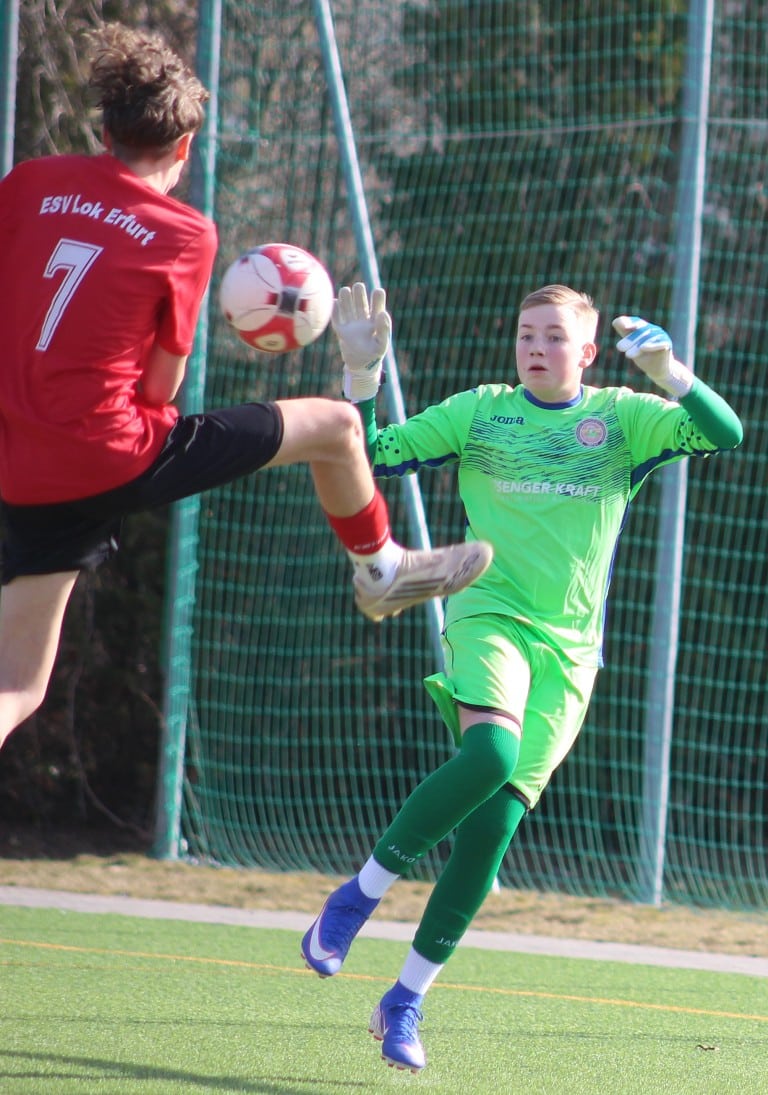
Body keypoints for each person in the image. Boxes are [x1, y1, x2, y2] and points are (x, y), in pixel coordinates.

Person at [0, 23, 492, 753]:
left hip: (20, 457)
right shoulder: (185, 234)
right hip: (107, 450)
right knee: (337, 427)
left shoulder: (30, 183)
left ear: (105, 130)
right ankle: (381, 569)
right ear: (185, 147)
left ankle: (386, 570)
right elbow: (161, 388)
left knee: (15, 682)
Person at [301, 281, 743, 1072]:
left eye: (553, 336)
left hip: (571, 651)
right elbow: (369, 454)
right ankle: (357, 895)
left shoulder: (625, 418)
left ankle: (404, 999)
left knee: (492, 830)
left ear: (588, 352)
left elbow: (726, 432)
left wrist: (672, 373)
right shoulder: (481, 411)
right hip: (487, 611)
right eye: (525, 334)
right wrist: (361, 376)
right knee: (491, 754)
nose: (536, 347)